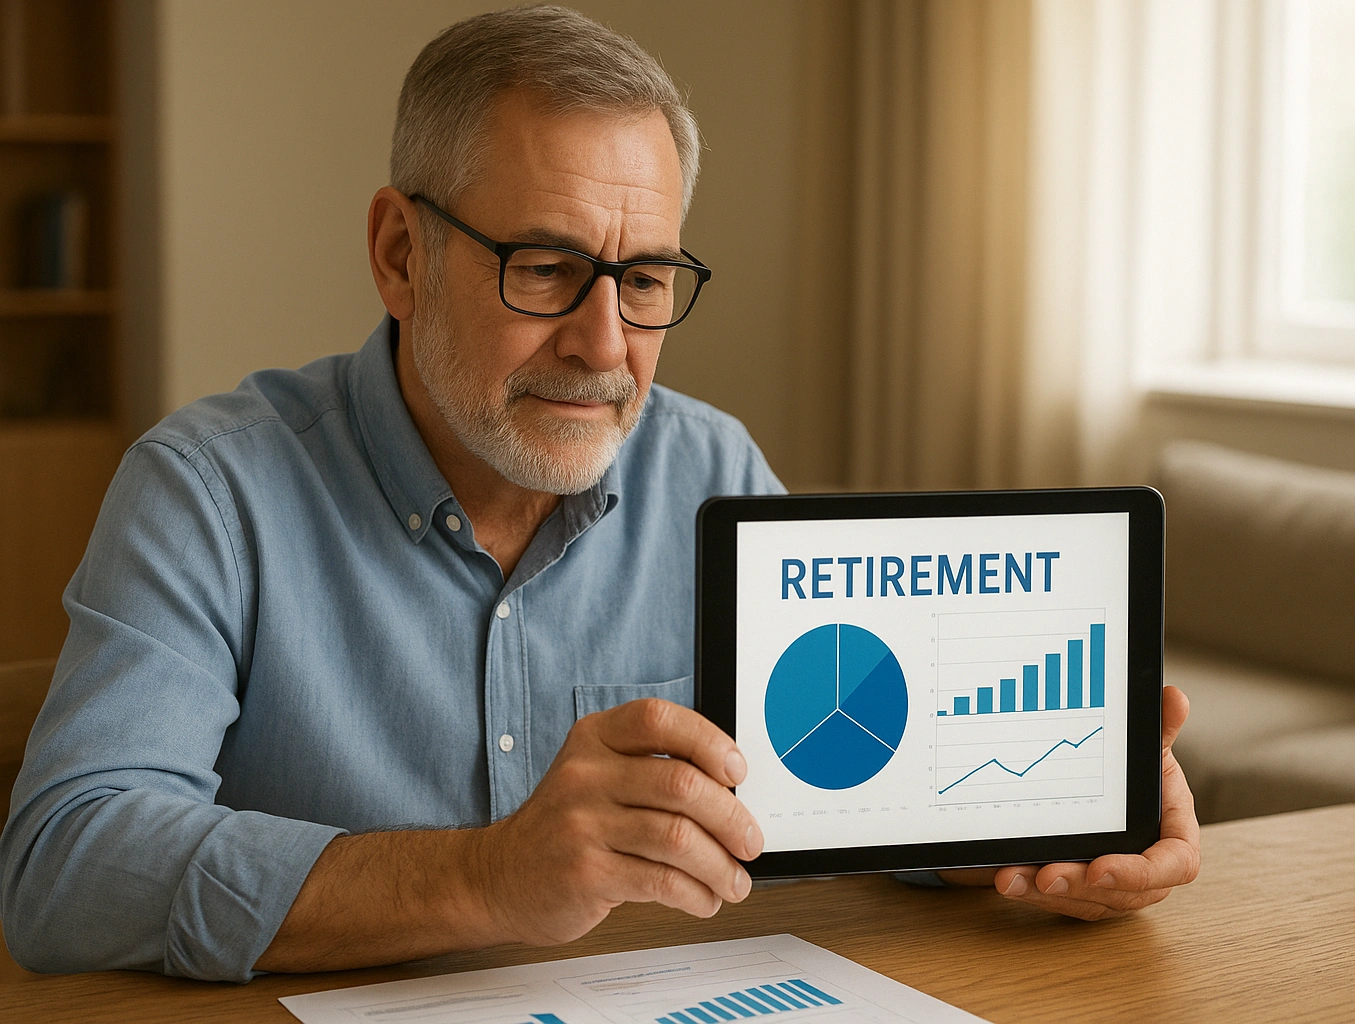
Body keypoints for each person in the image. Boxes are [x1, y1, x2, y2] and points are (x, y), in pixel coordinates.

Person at [0, 5, 1199, 983]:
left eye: (646, 277)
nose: (604, 341)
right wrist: (487, 875)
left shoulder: (712, 470)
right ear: (399, 255)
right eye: (548, 267)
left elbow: (839, 791)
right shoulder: (210, 489)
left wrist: (1054, 812)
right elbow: (65, 865)